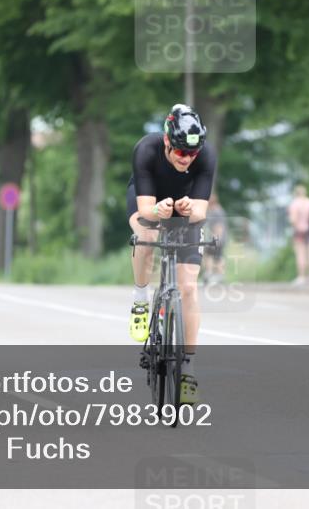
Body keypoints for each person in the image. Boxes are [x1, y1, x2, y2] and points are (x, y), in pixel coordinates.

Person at [127, 104, 215, 404]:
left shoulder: (206, 156)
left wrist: (189, 211)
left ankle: (188, 369)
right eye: (180, 152)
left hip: (185, 207)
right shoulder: (146, 149)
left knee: (189, 288)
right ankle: (141, 300)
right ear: (167, 142)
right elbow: (144, 211)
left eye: (192, 154)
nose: (187, 159)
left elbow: (201, 211)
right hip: (149, 200)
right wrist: (156, 211)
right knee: (147, 234)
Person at [287, 184, 309, 285]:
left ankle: (301, 276)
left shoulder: (295, 203)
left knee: (300, 253)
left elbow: (293, 220)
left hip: (299, 231)